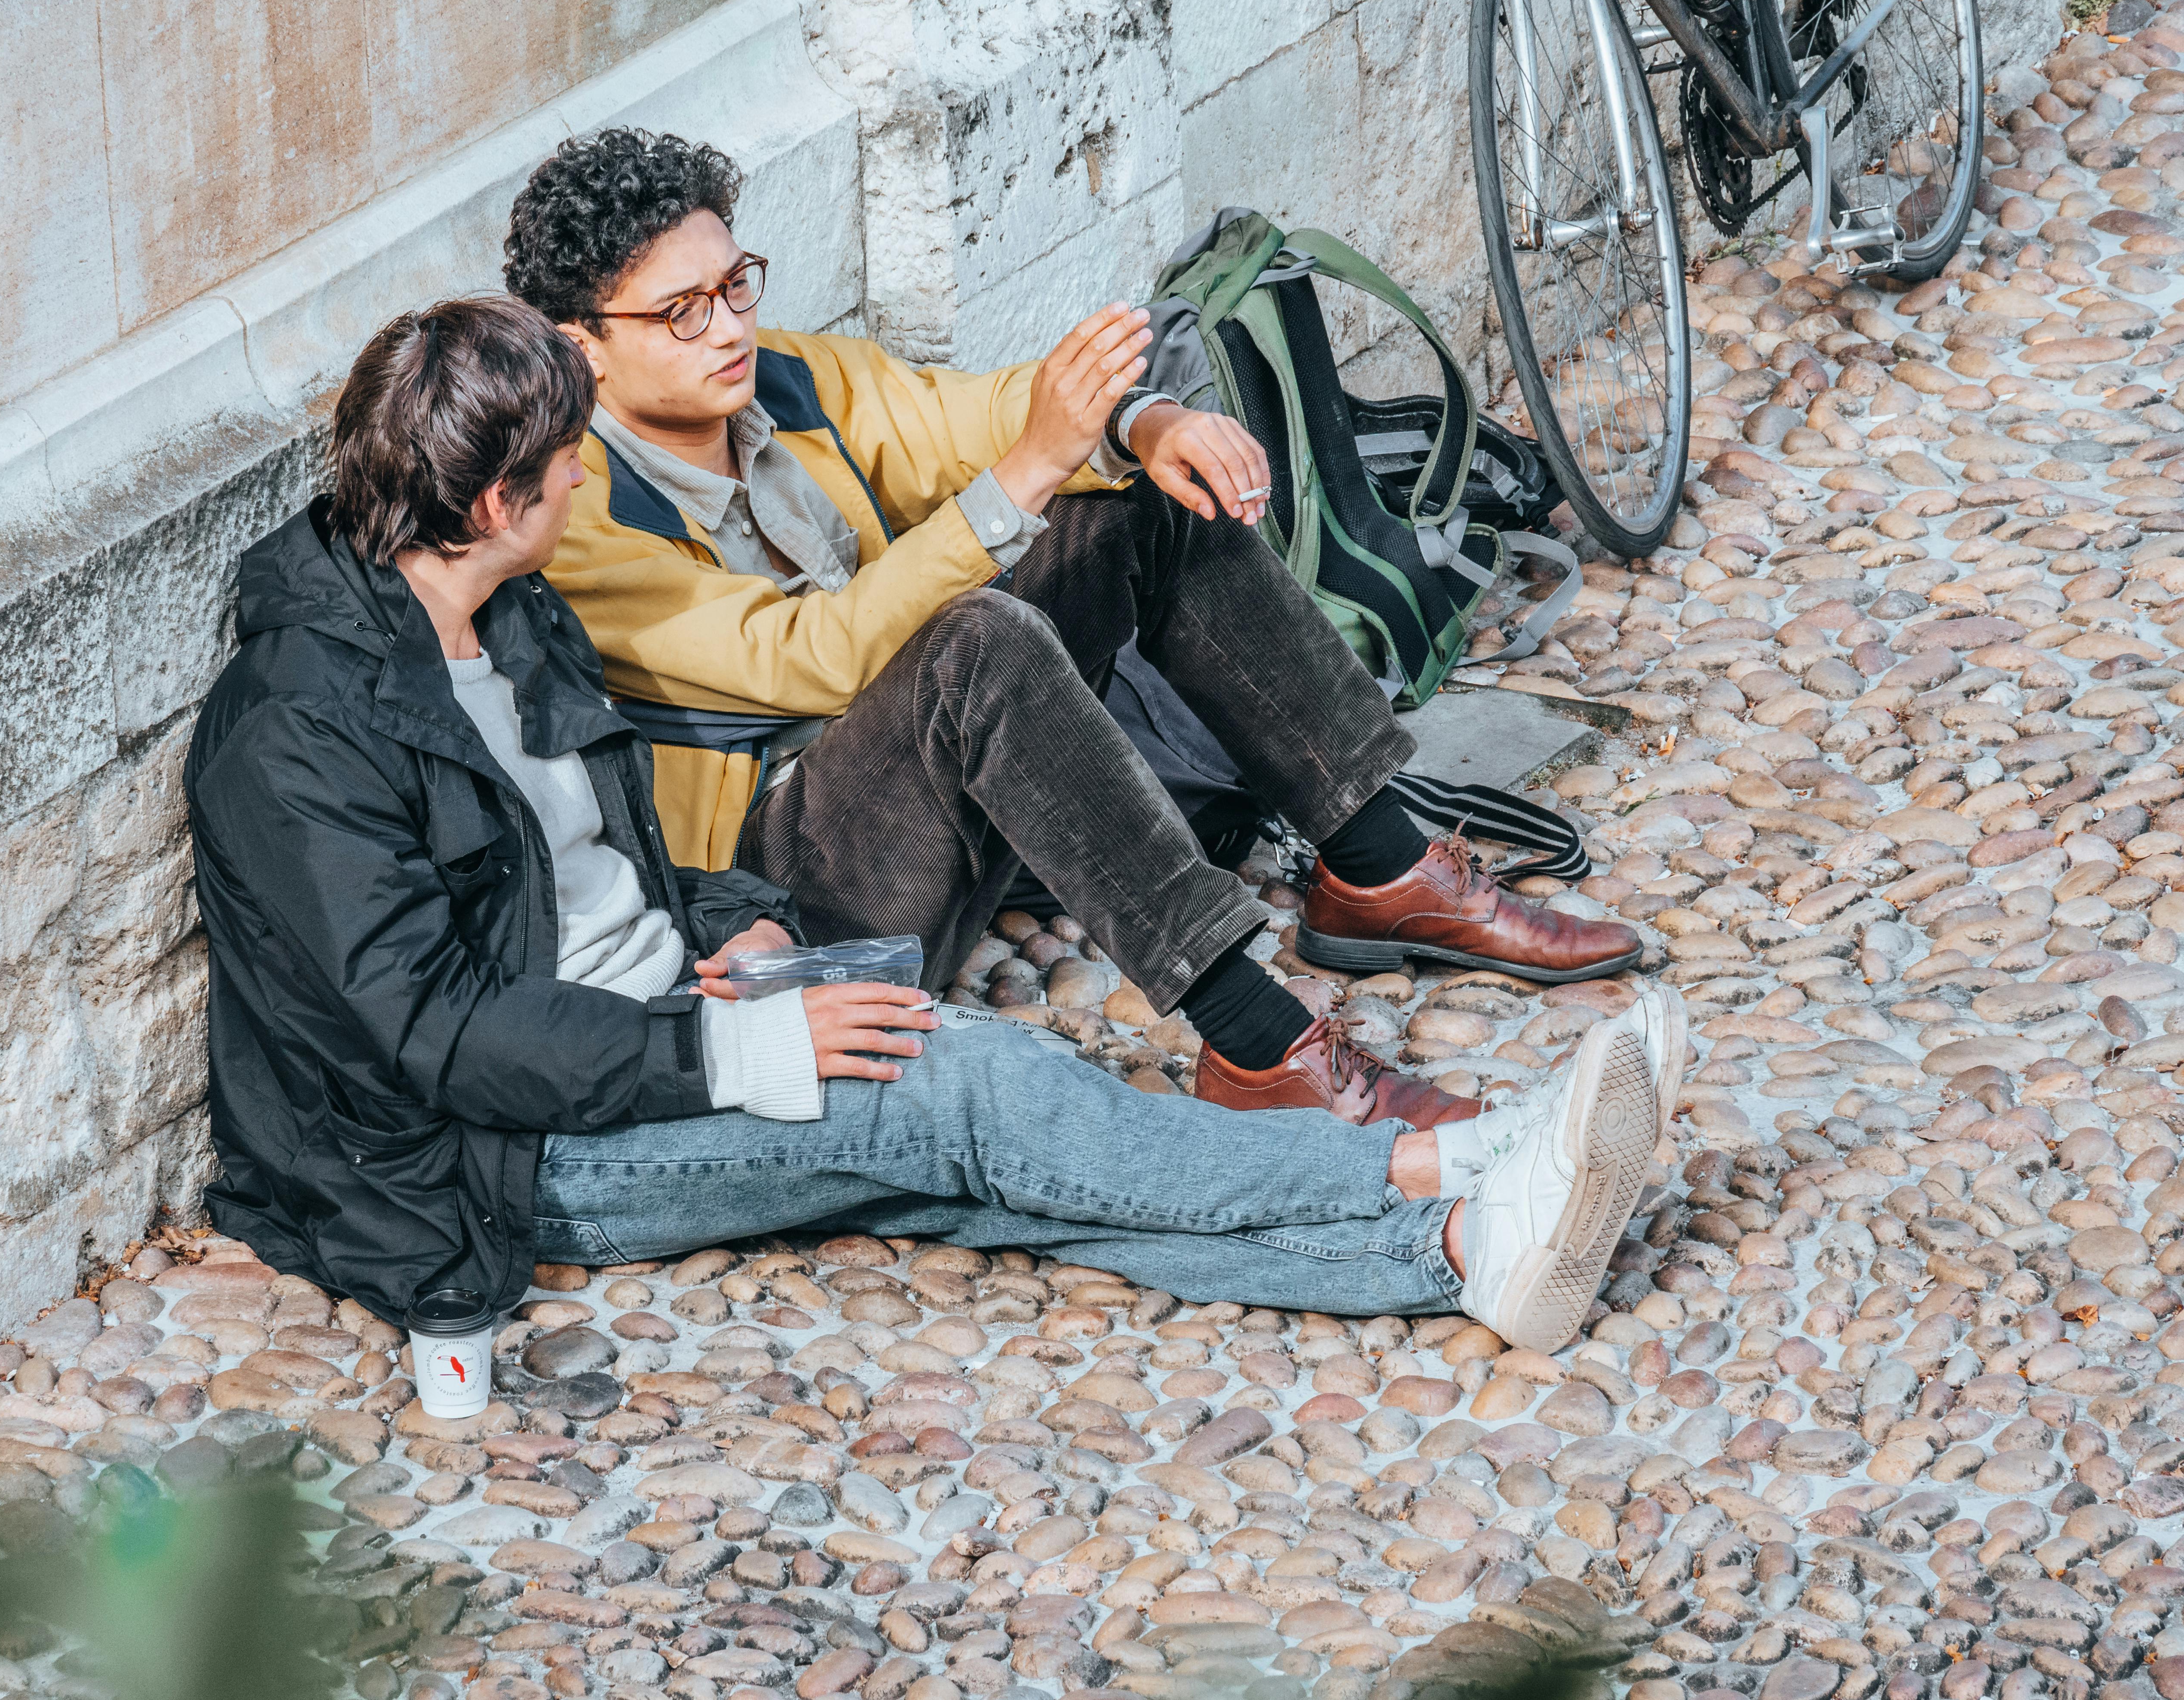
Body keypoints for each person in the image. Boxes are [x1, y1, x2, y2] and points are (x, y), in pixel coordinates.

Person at [180, 296, 1680, 1355]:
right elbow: (429, 1038)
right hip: (514, 1154)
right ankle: (1464, 1163)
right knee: (972, 1094)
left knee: (998, 1189)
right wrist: (734, 1049)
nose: (588, 477)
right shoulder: (299, 737)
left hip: (673, 1014)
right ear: (505, 496)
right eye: (567, 465)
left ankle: (1468, 1262)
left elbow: (593, 873)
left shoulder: (504, 610)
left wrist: (726, 924)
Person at [501, 129, 1644, 1124]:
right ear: (580, 346)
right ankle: (1257, 1040)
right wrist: (1025, 472)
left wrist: (1139, 423)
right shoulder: (572, 513)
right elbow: (809, 663)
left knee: (1133, 496)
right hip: (783, 903)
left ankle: (1380, 866)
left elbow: (976, 410)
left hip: (926, 788)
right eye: (679, 312)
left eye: (735, 284)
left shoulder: (788, 378)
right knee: (975, 640)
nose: (727, 329)